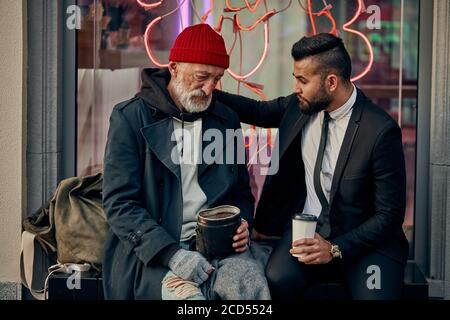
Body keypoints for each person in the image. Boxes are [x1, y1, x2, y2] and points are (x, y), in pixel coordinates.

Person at [215, 33, 408, 300]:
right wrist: (200, 85)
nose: (295, 87)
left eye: (302, 80)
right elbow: (256, 111)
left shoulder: (380, 131)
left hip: (365, 243)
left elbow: (389, 216)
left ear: (331, 82)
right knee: (276, 280)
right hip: (306, 231)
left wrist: (335, 248)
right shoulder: (300, 106)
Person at [102, 23, 270, 300]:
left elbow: (241, 191)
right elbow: (119, 204)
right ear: (174, 67)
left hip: (218, 246)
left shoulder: (225, 120)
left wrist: (242, 224)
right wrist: (172, 254)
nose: (209, 88)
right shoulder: (130, 117)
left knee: (250, 291)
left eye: (216, 79)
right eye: (202, 77)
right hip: (153, 252)